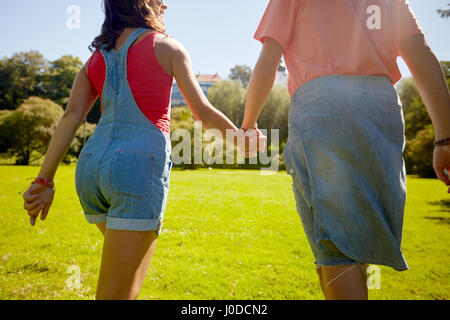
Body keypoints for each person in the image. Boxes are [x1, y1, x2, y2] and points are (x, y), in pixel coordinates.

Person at [22, 0, 264, 300]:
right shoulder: (168, 47)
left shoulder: (96, 58)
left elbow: (71, 116)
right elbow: (201, 110)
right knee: (117, 294)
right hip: (134, 171)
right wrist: (241, 140)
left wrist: (44, 180)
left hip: (90, 170)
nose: (165, 4)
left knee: (124, 282)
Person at [242, 0, 450, 300]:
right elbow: (421, 55)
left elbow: (267, 64)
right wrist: (444, 138)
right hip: (382, 110)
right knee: (349, 241)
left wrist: (248, 124)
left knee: (337, 249)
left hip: (324, 107)